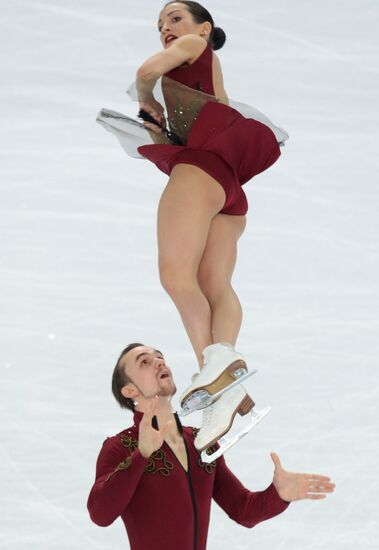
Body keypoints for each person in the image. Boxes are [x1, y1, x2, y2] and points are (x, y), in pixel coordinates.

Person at [97, 1, 289, 449]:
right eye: (160, 24)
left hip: (200, 172)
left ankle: (216, 376)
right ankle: (226, 389)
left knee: (176, 277)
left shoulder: (192, 46)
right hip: (228, 188)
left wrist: (145, 94)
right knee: (213, 284)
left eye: (176, 19)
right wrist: (157, 131)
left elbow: (146, 70)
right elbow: (195, 124)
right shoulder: (203, 76)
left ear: (205, 29)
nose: (167, 28)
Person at [87, 344, 335, 550]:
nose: (159, 362)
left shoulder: (202, 441)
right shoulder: (120, 447)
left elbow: (243, 509)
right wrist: (141, 454)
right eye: (144, 362)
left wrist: (278, 494)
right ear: (130, 390)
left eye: (160, 357)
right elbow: (100, 514)